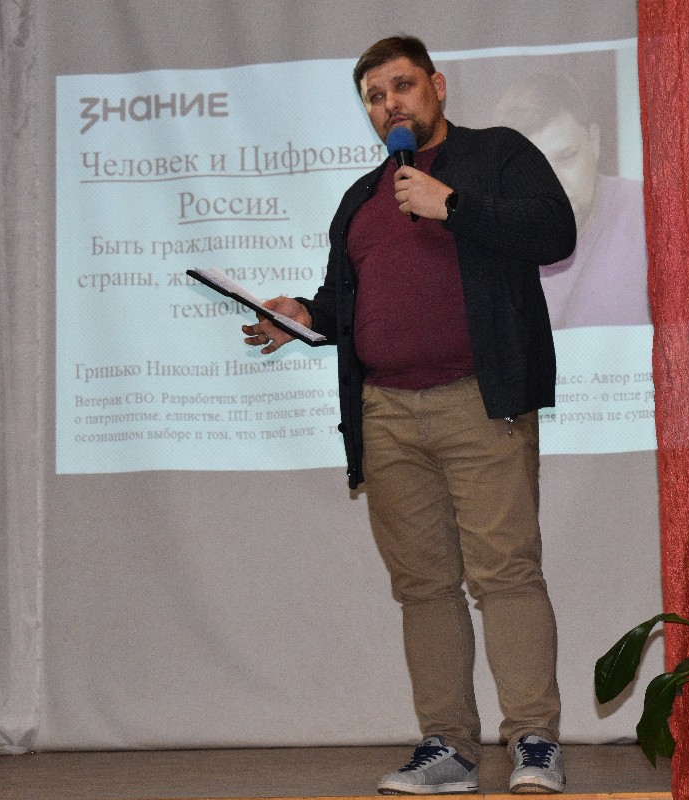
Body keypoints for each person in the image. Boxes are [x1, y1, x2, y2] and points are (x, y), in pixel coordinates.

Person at [240, 36, 575, 795]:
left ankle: (534, 742)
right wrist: (304, 315)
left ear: (437, 86)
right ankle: (447, 748)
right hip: (387, 414)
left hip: (479, 401)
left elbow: (555, 231)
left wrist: (449, 204)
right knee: (424, 587)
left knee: (505, 574)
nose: (389, 104)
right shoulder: (361, 200)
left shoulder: (497, 154)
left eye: (401, 86)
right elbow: (346, 302)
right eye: (374, 96)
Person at [493, 75, 650, 329]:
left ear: (594, 142)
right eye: (531, 169)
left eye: (566, 157)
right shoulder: (489, 243)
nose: (552, 186)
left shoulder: (651, 216)